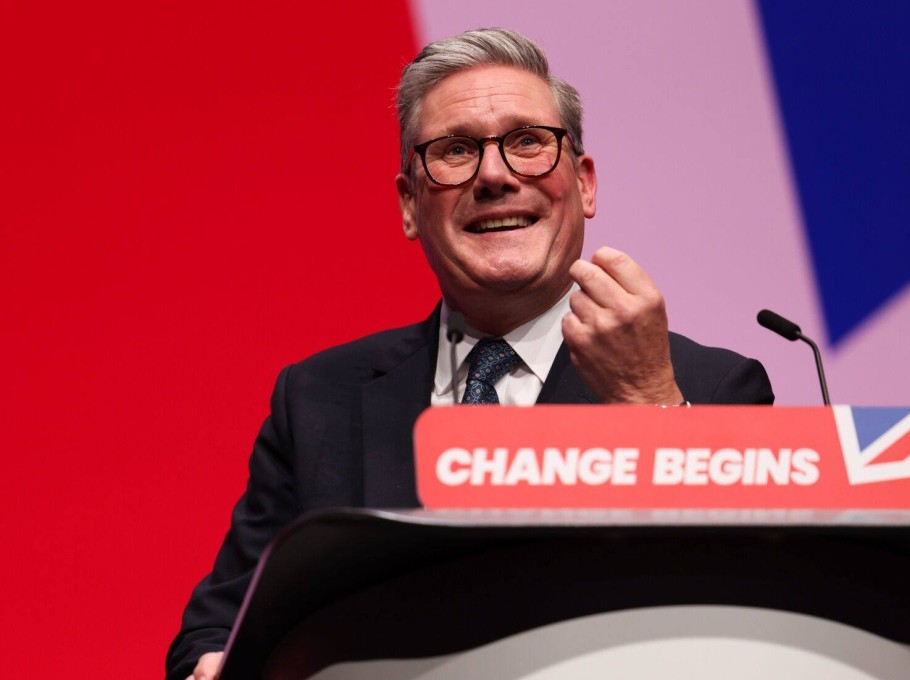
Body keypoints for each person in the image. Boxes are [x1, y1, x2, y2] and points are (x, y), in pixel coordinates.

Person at [167, 27, 774, 680]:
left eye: (528, 143)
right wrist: (215, 664)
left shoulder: (712, 387)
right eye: (455, 151)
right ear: (408, 205)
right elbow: (213, 630)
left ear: (585, 184)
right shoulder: (319, 399)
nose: (494, 175)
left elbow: (746, 619)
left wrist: (647, 403)